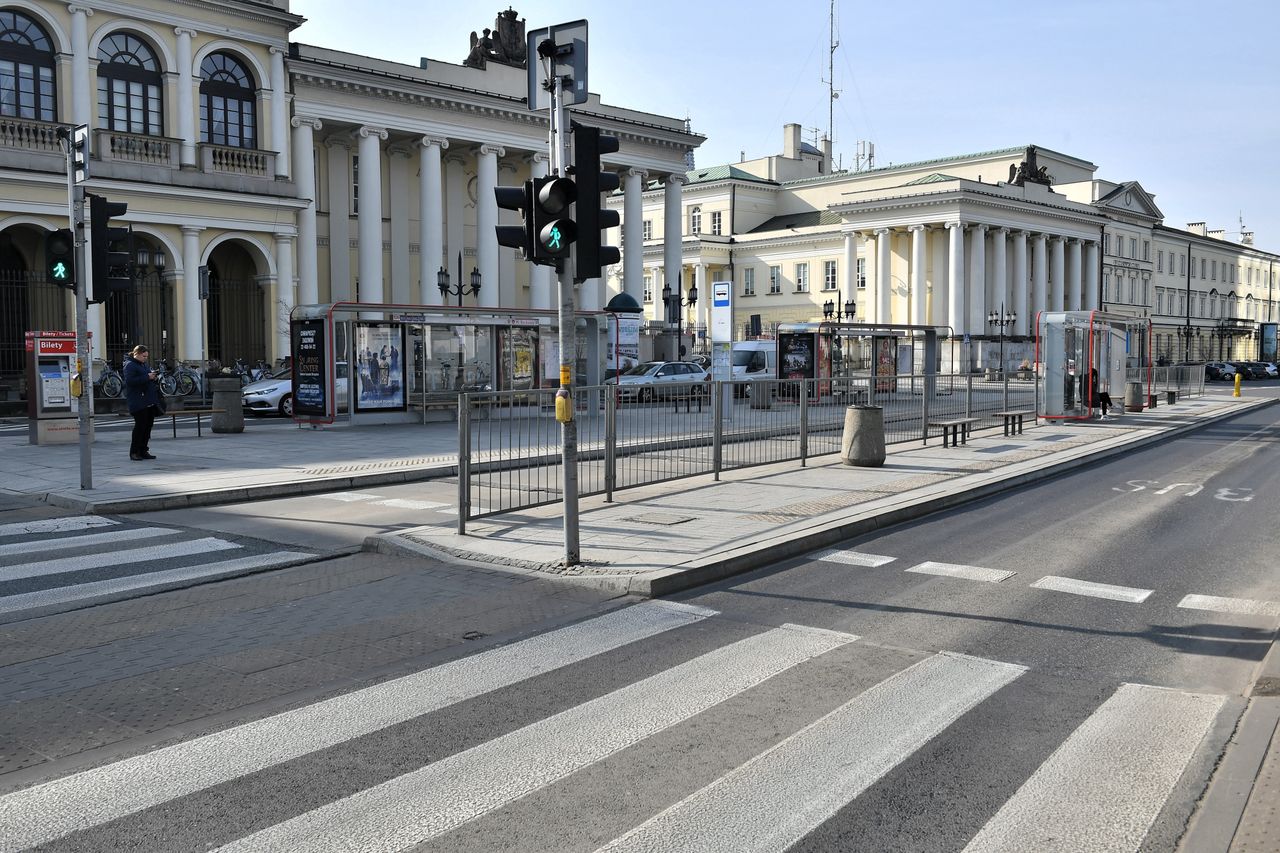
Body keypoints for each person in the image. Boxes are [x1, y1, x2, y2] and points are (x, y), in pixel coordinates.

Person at [123, 344, 161, 460]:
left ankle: (143, 450)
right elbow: (130, 381)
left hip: (147, 400)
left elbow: (146, 377)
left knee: (147, 426)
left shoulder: (143, 364)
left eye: (146, 356)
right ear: (137, 354)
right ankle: (134, 452)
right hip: (138, 401)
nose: (145, 358)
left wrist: (153, 377)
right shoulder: (130, 365)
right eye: (144, 356)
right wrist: (147, 377)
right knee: (140, 427)